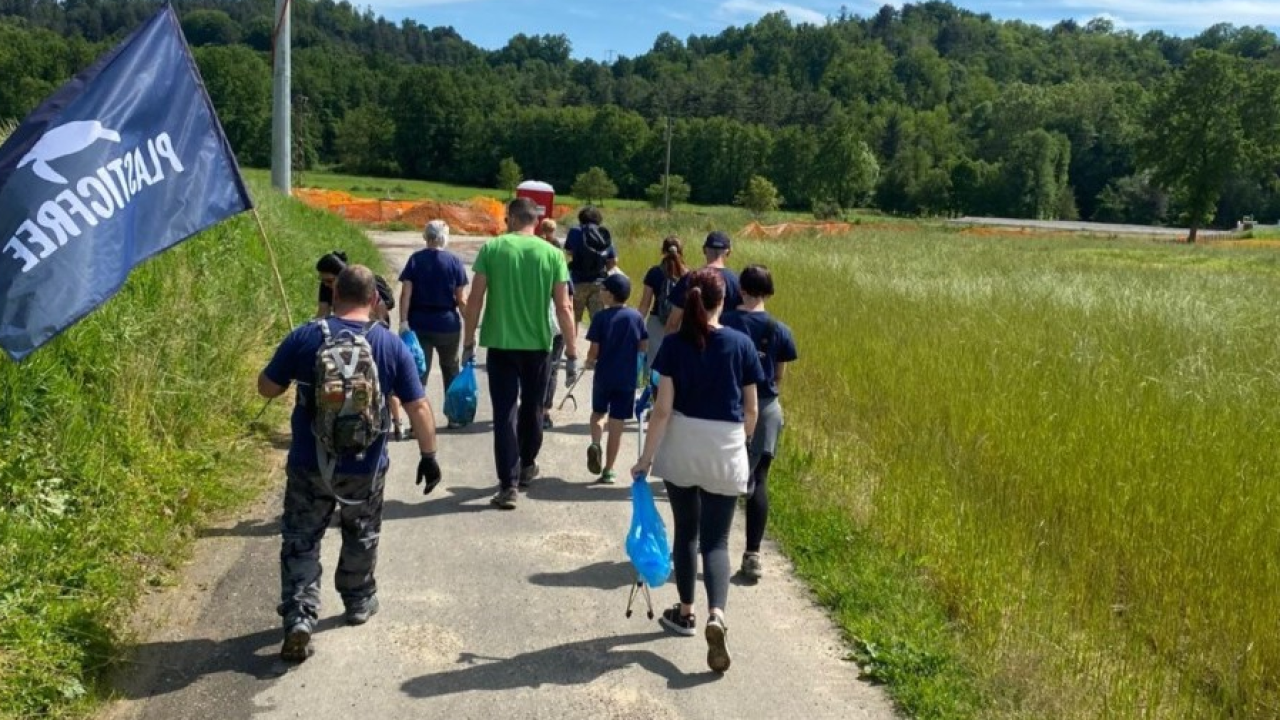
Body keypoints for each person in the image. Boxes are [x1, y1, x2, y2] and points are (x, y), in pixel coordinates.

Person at [258, 264, 442, 663]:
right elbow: (418, 406)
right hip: (365, 467)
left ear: (334, 292)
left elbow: (266, 387)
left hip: (310, 463)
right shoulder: (389, 344)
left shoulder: (306, 336)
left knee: (301, 538)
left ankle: (299, 617)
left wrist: (291, 361)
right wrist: (429, 456)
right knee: (361, 531)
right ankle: (358, 600)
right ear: (374, 299)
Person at [631, 268, 765, 674]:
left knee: (685, 531)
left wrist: (646, 459)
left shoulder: (673, 344)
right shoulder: (741, 344)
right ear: (722, 300)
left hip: (682, 445)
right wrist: (737, 446)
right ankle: (716, 615)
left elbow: (663, 409)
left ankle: (686, 613)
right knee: (718, 542)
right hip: (724, 446)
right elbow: (752, 410)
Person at [463, 198, 578, 510]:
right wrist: (572, 350)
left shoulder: (493, 249)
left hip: (500, 345)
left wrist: (468, 341)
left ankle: (508, 485)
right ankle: (527, 463)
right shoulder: (553, 254)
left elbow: (474, 300)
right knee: (533, 407)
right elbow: (564, 306)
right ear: (536, 222)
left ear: (512, 218)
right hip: (538, 346)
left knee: (504, 414)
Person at [720, 265, 798, 581]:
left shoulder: (723, 322)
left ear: (741, 289)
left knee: (720, 479)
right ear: (769, 291)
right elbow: (779, 375)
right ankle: (752, 554)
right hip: (765, 408)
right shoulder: (779, 329)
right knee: (758, 479)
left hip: (727, 405)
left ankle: (710, 545)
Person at [398, 220, 469, 424]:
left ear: (426, 237)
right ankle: (454, 417)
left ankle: (417, 422)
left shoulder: (415, 260)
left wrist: (403, 322)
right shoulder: (454, 262)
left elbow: (406, 294)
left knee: (419, 372)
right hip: (447, 324)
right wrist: (470, 323)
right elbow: (461, 299)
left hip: (419, 323)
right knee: (450, 369)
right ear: (445, 238)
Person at [585, 273, 647, 484]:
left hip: (604, 376)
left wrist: (589, 361)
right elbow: (643, 345)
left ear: (610, 296)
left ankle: (595, 442)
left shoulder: (601, 318)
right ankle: (609, 469)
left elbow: (594, 349)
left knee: (598, 414)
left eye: (603, 290)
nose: (600, 293)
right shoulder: (636, 317)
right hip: (627, 378)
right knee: (617, 423)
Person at [663, 231, 742, 333]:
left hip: (692, 343)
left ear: (704, 250)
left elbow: (673, 322)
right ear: (729, 252)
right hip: (725, 343)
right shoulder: (737, 281)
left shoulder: (690, 278)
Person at [537, 218, 572, 429]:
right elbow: (566, 304)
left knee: (532, 367)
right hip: (556, 326)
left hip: (533, 324)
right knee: (552, 368)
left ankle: (530, 406)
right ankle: (544, 411)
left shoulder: (530, 265)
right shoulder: (559, 263)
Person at [635, 236, 688, 375]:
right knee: (676, 363)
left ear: (662, 251)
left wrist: (636, 326)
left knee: (653, 363)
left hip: (656, 321)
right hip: (680, 322)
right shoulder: (688, 274)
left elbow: (645, 304)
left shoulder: (654, 272)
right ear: (681, 252)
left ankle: (653, 394)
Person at [563, 206, 617, 325]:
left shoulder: (575, 231)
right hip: (599, 283)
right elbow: (613, 260)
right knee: (598, 322)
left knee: (573, 320)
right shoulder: (604, 233)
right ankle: (598, 344)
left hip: (577, 282)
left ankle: (572, 344)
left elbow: (569, 251)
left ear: (581, 218)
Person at [314, 250, 348, 318]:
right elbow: (322, 314)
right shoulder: (326, 285)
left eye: (329, 281)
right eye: (322, 280)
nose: (326, 284)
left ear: (342, 276)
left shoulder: (356, 287)